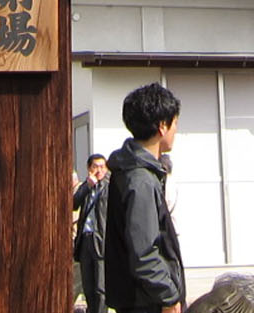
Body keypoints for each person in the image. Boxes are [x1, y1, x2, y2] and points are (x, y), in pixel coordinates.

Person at [104, 82, 185, 313]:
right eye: (175, 123)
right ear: (162, 126)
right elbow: (144, 253)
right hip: (146, 302)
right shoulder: (140, 179)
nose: (176, 130)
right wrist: (168, 296)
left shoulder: (130, 169)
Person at [73, 153, 110, 313]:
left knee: (100, 287)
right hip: (86, 239)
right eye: (95, 166)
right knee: (87, 286)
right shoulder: (86, 187)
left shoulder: (109, 187)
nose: (99, 170)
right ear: (89, 169)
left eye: (102, 166)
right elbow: (73, 203)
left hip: (101, 239)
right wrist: (87, 186)